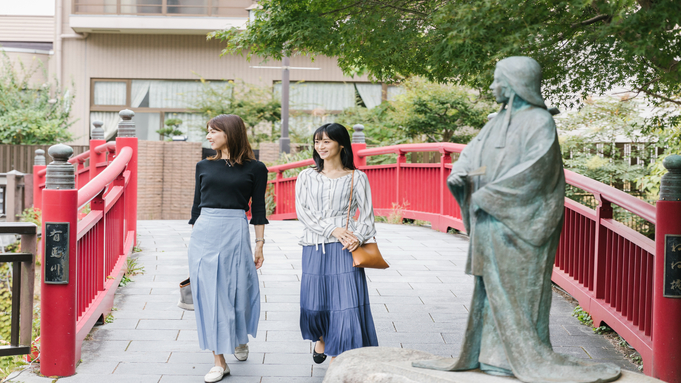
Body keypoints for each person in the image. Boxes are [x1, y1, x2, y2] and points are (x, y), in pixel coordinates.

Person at [413, 57, 620, 382]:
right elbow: (470, 156)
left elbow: (535, 172)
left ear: (515, 83)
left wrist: (488, 195)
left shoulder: (539, 121)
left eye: (498, 80)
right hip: (491, 221)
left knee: (520, 292)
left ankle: (521, 358)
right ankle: (491, 355)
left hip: (521, 222)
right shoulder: (496, 121)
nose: (493, 87)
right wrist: (461, 174)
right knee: (490, 290)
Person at [187, 114, 268, 382]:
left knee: (241, 290)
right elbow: (196, 207)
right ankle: (219, 360)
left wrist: (259, 244)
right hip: (204, 232)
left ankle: (239, 337)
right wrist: (193, 242)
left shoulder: (255, 168)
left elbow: (257, 209)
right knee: (210, 295)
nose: (208, 136)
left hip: (235, 229)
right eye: (208, 131)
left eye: (213, 131)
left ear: (230, 133)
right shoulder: (203, 166)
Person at [295, 123, 379, 363]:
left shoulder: (357, 177)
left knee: (345, 304)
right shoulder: (306, 176)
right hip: (314, 245)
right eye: (317, 141)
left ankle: (337, 356)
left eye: (326, 141)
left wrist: (357, 238)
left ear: (341, 144)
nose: (320, 146)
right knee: (314, 304)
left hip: (345, 248)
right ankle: (321, 337)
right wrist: (333, 229)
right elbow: (304, 212)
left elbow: (367, 218)